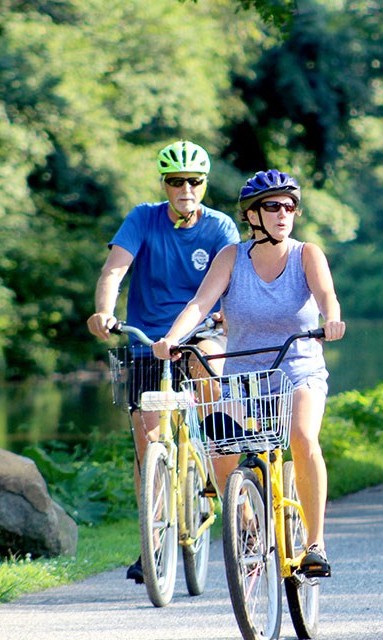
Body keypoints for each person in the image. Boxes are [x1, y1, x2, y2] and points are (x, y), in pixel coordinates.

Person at [153, 169, 345, 578]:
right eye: (272, 206)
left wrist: (332, 319)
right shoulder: (231, 258)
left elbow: (327, 294)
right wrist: (171, 338)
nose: (283, 213)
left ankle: (315, 543)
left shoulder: (306, 254)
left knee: (302, 436)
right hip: (245, 377)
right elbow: (200, 304)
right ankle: (246, 526)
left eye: (290, 206)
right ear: (252, 216)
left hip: (298, 367)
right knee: (220, 446)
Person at [86, 140, 241, 584]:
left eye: (193, 181)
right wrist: (104, 311)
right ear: (164, 184)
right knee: (147, 442)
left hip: (201, 334)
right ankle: (152, 543)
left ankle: (227, 487)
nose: (185, 189)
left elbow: (231, 282)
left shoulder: (220, 227)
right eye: (176, 181)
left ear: (204, 184)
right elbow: (114, 270)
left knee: (212, 380)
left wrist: (225, 317)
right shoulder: (143, 218)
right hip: (146, 341)